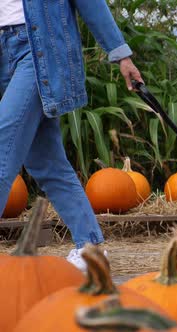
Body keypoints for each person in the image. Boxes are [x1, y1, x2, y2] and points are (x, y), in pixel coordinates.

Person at [0, 0, 143, 271]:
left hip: (38, 50)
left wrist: (120, 54)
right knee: (46, 162)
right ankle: (90, 248)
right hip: (6, 50)